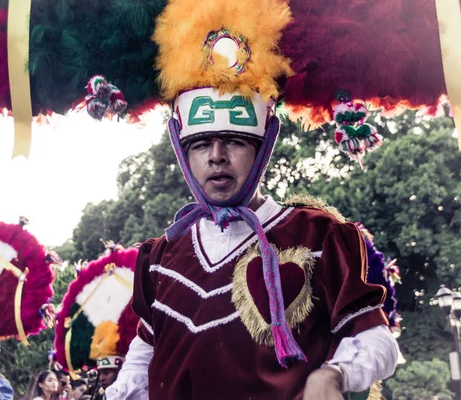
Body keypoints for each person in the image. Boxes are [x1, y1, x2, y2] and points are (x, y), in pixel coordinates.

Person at [106, 1, 399, 399]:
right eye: (200, 143)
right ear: (182, 151)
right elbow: (145, 355)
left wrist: (334, 375)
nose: (216, 156)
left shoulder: (319, 237)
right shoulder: (160, 258)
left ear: (263, 147)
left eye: (235, 141)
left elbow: (378, 340)